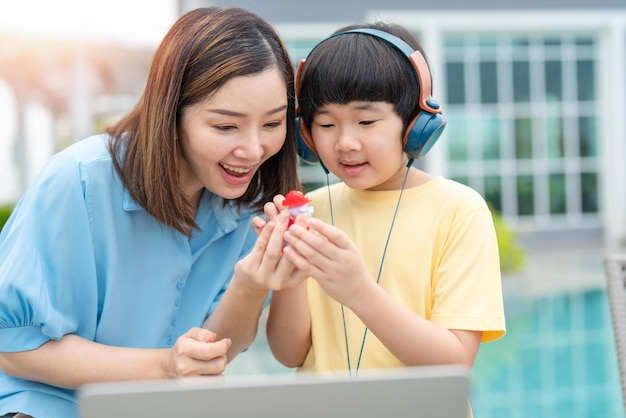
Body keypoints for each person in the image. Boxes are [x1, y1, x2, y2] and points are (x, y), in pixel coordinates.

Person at [0, 7, 304, 418]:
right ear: (171, 113)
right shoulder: (77, 180)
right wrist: (163, 367)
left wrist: (248, 287)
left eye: (272, 123)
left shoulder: (250, 202)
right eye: (226, 127)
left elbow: (207, 356)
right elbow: (13, 347)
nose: (252, 150)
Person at [263, 22, 506, 415]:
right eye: (326, 124)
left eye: (366, 121)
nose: (345, 142)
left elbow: (454, 363)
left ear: (415, 124)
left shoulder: (459, 211)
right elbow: (290, 354)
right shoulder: (311, 210)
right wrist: (288, 281)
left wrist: (358, 291)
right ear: (305, 134)